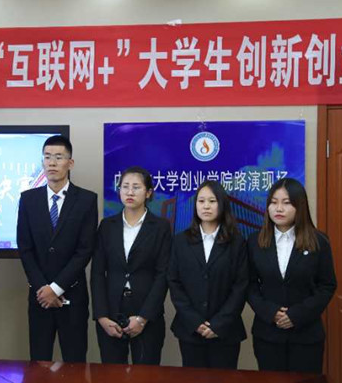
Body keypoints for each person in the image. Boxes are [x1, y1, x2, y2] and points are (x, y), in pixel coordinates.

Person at [17, 135, 98, 362]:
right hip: (39, 296)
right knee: (39, 362)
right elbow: (25, 248)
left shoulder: (86, 200)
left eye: (59, 157)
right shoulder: (28, 199)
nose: (52, 163)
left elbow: (85, 249)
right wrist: (43, 288)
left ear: (70, 163)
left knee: (75, 363)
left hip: (72, 295)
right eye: (47, 157)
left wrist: (57, 288)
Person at [247, 177, 337, 373]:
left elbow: (327, 285)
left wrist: (297, 315)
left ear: (299, 206)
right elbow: (249, 284)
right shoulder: (255, 241)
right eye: (273, 202)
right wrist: (270, 312)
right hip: (267, 334)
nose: (279, 208)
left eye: (286, 203)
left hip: (306, 334)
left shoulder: (318, 241)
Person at [91, 166, 171, 365]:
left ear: (148, 193)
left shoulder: (161, 227)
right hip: (111, 312)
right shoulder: (107, 226)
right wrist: (102, 316)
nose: (129, 192)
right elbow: (97, 273)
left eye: (136, 187)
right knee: (111, 375)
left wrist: (143, 318)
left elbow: (163, 275)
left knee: (146, 375)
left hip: (146, 313)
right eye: (125, 186)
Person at [167, 180, 247, 369]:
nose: (206, 206)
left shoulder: (236, 242)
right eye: (201, 201)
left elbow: (241, 286)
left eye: (212, 201)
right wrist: (194, 321)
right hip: (190, 330)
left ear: (222, 204)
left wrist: (219, 324)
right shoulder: (180, 241)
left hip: (226, 331)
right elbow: (174, 282)